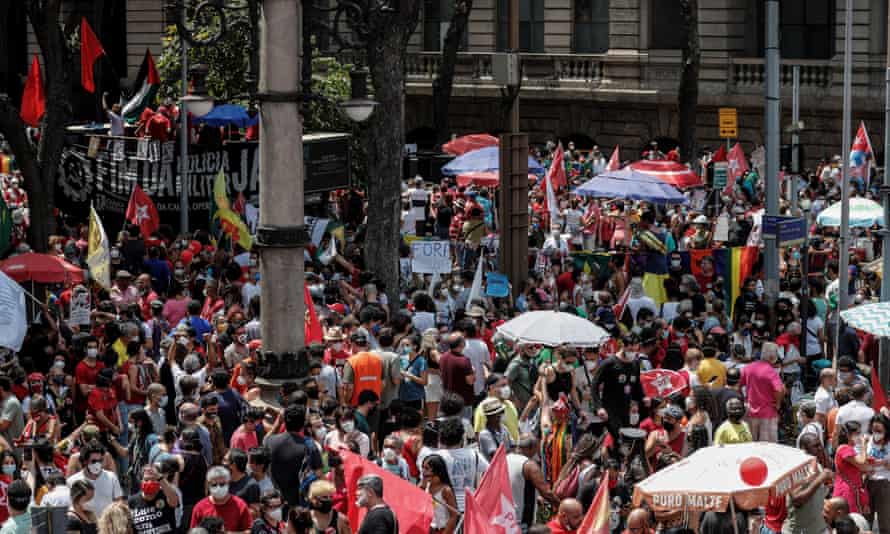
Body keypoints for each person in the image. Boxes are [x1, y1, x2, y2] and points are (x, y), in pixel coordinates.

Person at [263, 405, 322, 509]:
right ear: (303, 424)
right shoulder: (310, 446)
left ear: (284, 421)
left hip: (274, 500)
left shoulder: (270, 441)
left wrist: (278, 423)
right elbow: (319, 474)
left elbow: (265, 439)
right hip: (299, 503)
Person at [507, 434, 560, 530]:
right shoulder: (529, 465)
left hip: (505, 517)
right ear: (532, 448)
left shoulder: (505, 458)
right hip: (521, 521)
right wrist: (561, 507)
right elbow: (547, 493)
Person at [784, 433, 832, 534]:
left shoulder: (818, 465)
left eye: (820, 445)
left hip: (819, 529)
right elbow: (797, 500)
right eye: (815, 446)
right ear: (803, 449)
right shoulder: (794, 470)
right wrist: (819, 480)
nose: (820, 448)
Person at [739, 342, 784, 442]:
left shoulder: (748, 367)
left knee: (750, 444)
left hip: (750, 411)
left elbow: (738, 385)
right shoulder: (771, 372)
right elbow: (779, 389)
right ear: (773, 356)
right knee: (767, 449)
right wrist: (778, 404)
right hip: (768, 414)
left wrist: (743, 399)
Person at [66, 441, 124, 517]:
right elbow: (72, 507)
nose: (97, 464)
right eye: (93, 461)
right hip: (85, 524)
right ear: (85, 461)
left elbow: (118, 502)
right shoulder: (72, 481)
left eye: (100, 461)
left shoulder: (112, 477)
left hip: (107, 524)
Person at [189, 466, 253, 531]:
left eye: (222, 484)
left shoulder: (240, 505)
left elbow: (249, 530)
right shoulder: (199, 507)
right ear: (208, 485)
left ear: (228, 483)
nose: (218, 487)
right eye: (214, 484)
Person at [128, 465, 178, 534]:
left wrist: (160, 477)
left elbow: (174, 502)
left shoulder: (165, 495)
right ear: (141, 481)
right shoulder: (132, 501)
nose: (149, 482)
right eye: (146, 480)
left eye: (153, 479)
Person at [833, 421, 870, 514]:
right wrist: (864, 445)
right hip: (846, 491)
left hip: (851, 490)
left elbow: (862, 466)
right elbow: (862, 462)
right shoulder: (845, 448)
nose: (860, 436)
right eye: (857, 433)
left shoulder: (848, 448)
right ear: (848, 435)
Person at [865, 414, 890, 534]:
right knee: (866, 518)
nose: (876, 433)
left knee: (884, 520)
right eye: (874, 430)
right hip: (868, 482)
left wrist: (884, 463)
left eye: (879, 430)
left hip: (884, 483)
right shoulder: (867, 440)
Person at [420, 455, 458, 534]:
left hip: (442, 530)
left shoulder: (445, 490)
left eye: (426, 468)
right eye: (422, 467)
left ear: (437, 471)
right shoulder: (426, 485)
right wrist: (422, 486)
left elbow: (454, 516)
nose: (423, 471)